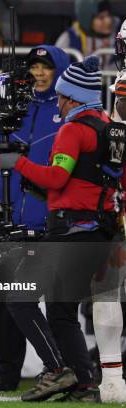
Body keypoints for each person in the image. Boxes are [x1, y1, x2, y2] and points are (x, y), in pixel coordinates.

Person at [0, 55, 123, 402]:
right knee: (62, 312)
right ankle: (84, 385)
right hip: (101, 232)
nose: (57, 101)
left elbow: (57, 177)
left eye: (60, 95)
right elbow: (109, 181)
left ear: (71, 97)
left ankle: (58, 371)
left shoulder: (72, 129)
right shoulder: (112, 129)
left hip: (71, 231)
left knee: (20, 297)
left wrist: (17, 162)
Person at [0, 45, 70, 391]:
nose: (38, 73)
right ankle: (8, 376)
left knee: (52, 306)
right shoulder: (15, 109)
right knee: (9, 304)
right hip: (11, 220)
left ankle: (65, 368)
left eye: (45, 67)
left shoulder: (66, 112)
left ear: (60, 71)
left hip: (48, 222)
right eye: (34, 66)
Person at [90, 19, 126, 403]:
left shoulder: (122, 85)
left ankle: (114, 381)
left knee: (109, 291)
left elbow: (116, 155)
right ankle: (113, 379)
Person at [55, 0, 120, 68]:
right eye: (101, 18)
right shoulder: (70, 38)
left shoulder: (120, 35)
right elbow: (56, 67)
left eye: (109, 15)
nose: (108, 21)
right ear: (86, 19)